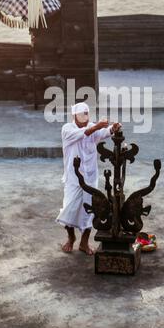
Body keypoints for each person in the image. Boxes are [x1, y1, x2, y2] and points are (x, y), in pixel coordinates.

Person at [56, 102, 121, 255]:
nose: (85, 118)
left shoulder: (93, 126)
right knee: (69, 209)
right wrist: (97, 127)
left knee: (90, 210)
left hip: (90, 177)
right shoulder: (67, 129)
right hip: (73, 178)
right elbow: (87, 132)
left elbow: (104, 133)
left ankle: (84, 243)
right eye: (81, 115)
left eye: (86, 114)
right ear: (74, 116)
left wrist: (113, 128)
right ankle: (71, 237)